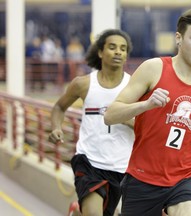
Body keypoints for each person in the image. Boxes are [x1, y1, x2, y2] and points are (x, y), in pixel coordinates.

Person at [104, 7, 191, 216]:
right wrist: (146, 105)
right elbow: (110, 115)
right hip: (143, 177)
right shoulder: (153, 69)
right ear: (178, 38)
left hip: (187, 176)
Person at [48, 29, 135, 216]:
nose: (118, 52)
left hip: (123, 166)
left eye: (123, 48)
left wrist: (130, 121)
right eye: (112, 47)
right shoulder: (83, 84)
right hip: (89, 162)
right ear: (100, 52)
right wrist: (56, 128)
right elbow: (59, 107)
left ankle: (77, 211)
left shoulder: (135, 85)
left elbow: (149, 123)